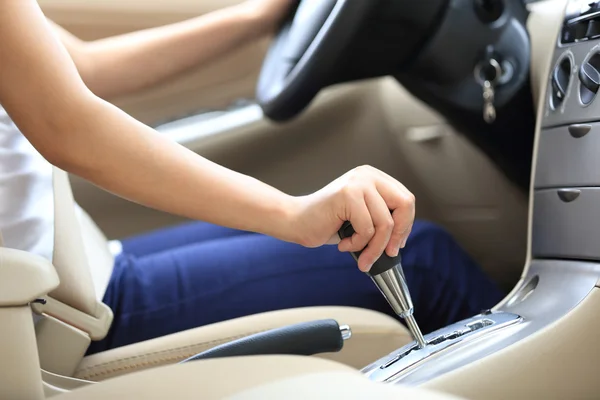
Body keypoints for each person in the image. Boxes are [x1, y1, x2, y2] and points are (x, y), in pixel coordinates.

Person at [0, 0, 505, 354]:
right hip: (58, 312)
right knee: (430, 265)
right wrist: (293, 215)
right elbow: (66, 127)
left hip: (73, 266)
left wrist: (258, 16)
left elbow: (77, 68)